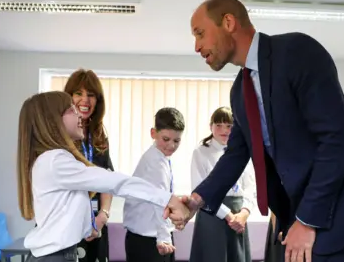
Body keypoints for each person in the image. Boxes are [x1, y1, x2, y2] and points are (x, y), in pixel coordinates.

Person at [177, 0, 344, 262]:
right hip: (296, 212)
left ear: (228, 22)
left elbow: (337, 140)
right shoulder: (239, 93)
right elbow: (235, 155)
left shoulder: (297, 52)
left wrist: (307, 219)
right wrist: (195, 200)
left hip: (333, 206)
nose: (196, 46)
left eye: (200, 33)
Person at [16, 91, 189, 262]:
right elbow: (114, 182)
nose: (78, 113)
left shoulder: (52, 160)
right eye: (70, 110)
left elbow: (66, 205)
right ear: (52, 121)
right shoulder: (55, 161)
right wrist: (169, 199)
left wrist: (88, 227)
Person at [189, 106, 255, 262]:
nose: (224, 130)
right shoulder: (201, 152)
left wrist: (244, 213)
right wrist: (228, 215)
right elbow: (199, 191)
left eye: (229, 126)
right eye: (218, 125)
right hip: (212, 214)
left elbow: (250, 186)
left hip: (238, 216)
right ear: (210, 126)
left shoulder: (242, 151)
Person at [63, 69, 114, 262]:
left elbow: (108, 179)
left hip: (96, 224)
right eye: (78, 93)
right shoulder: (57, 136)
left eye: (91, 95)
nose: (85, 100)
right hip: (66, 226)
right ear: (68, 97)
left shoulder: (100, 136)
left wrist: (103, 215)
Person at [123, 107, 185, 262]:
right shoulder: (154, 162)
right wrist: (164, 238)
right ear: (153, 133)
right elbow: (160, 202)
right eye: (166, 139)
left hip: (153, 236)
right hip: (150, 240)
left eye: (176, 141)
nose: (171, 145)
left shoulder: (161, 158)